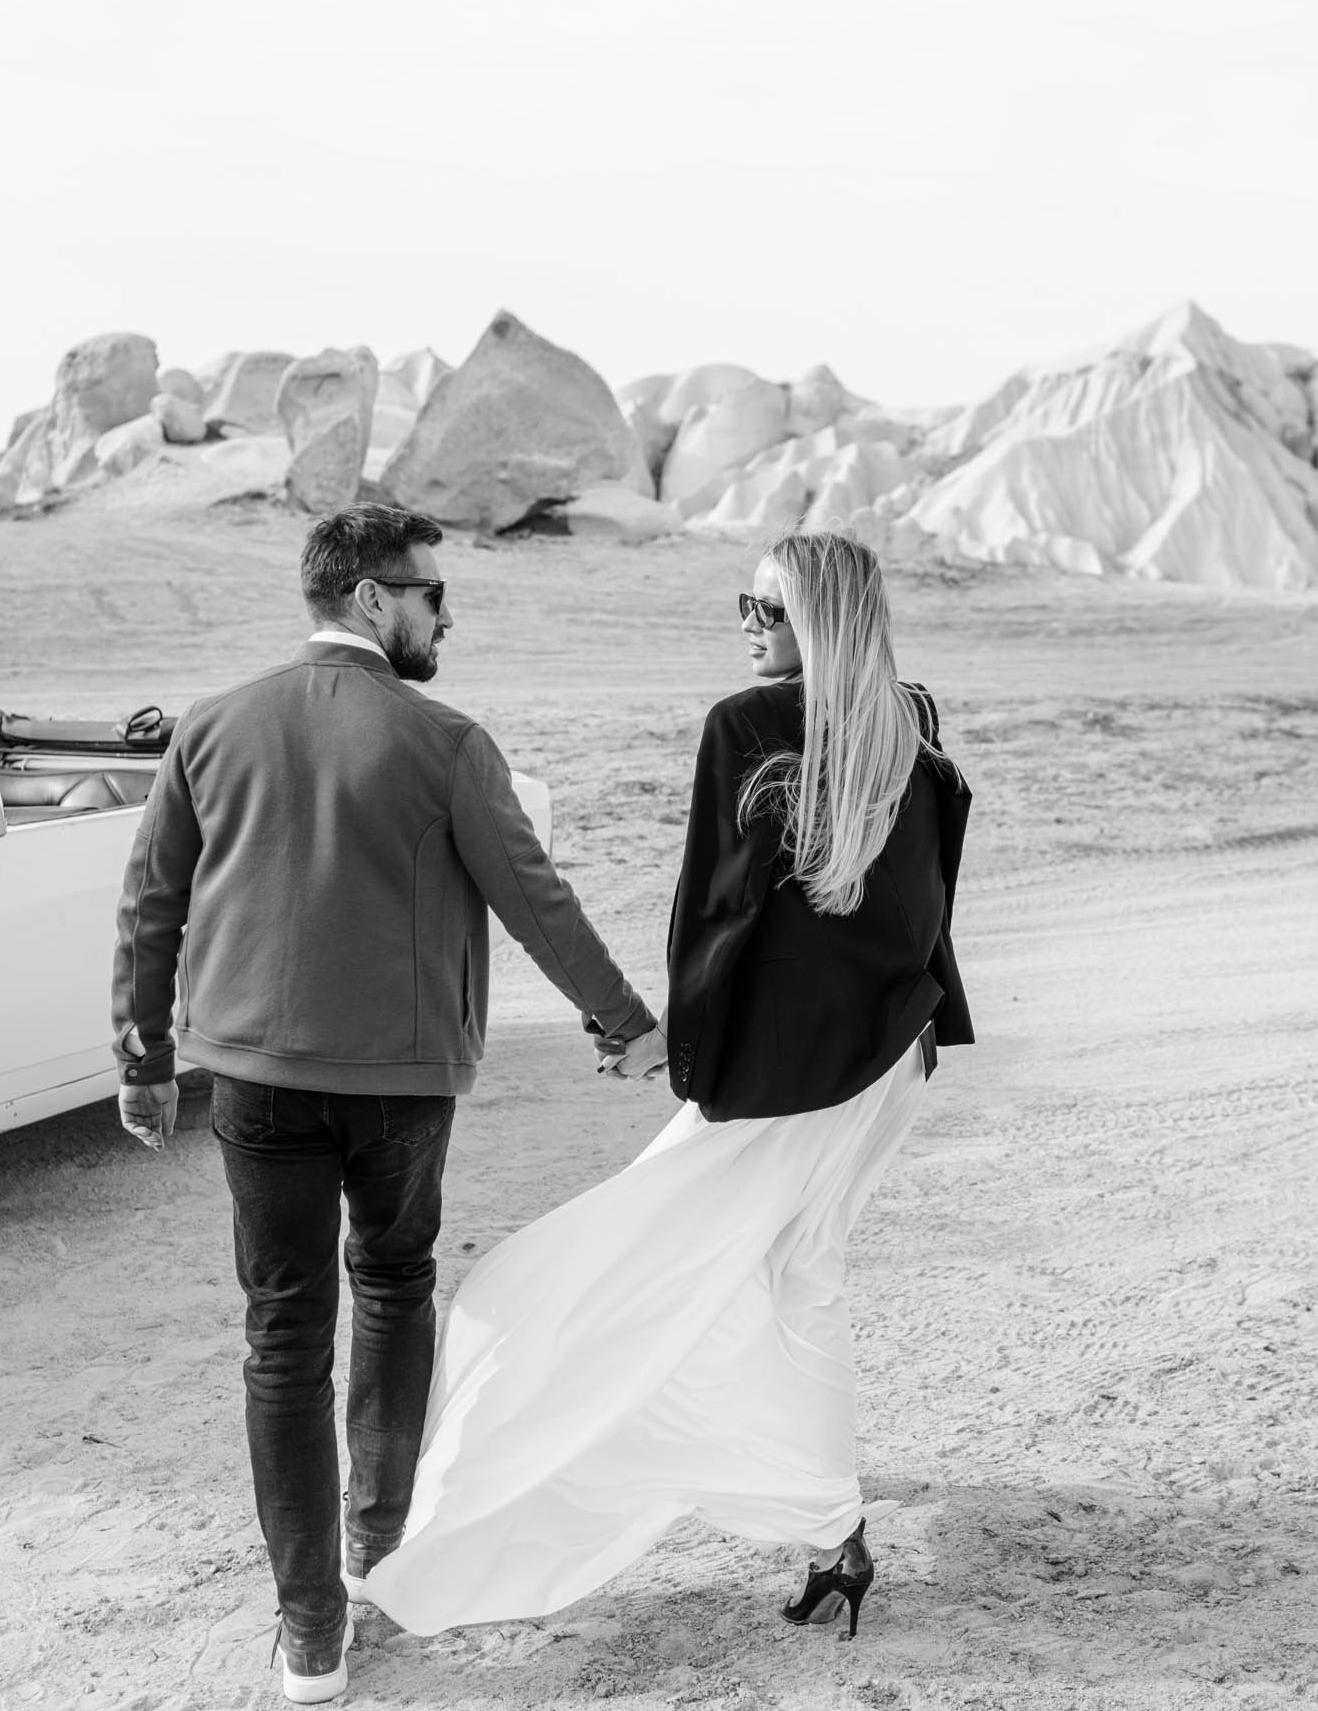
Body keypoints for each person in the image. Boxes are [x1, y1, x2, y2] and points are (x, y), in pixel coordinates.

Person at [366, 530, 971, 1640]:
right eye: (744, 604)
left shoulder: (747, 726)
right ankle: (833, 1531)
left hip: (789, 1079)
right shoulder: (906, 720)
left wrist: (673, 1050)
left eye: (769, 610)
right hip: (887, 1056)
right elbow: (922, 908)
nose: (748, 625)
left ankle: (800, 1518)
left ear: (822, 622)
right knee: (803, 1277)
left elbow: (718, 917)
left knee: (561, 1282)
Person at [112, 507, 663, 1707]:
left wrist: (143, 1056)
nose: (445, 617)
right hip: (401, 1087)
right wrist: (625, 1023)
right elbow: (535, 900)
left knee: (282, 1332)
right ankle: (376, 1548)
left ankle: (310, 1631)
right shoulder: (447, 742)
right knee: (395, 1286)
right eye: (432, 595)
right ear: (371, 598)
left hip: (256, 1079)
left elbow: (152, 901)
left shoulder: (212, 724)